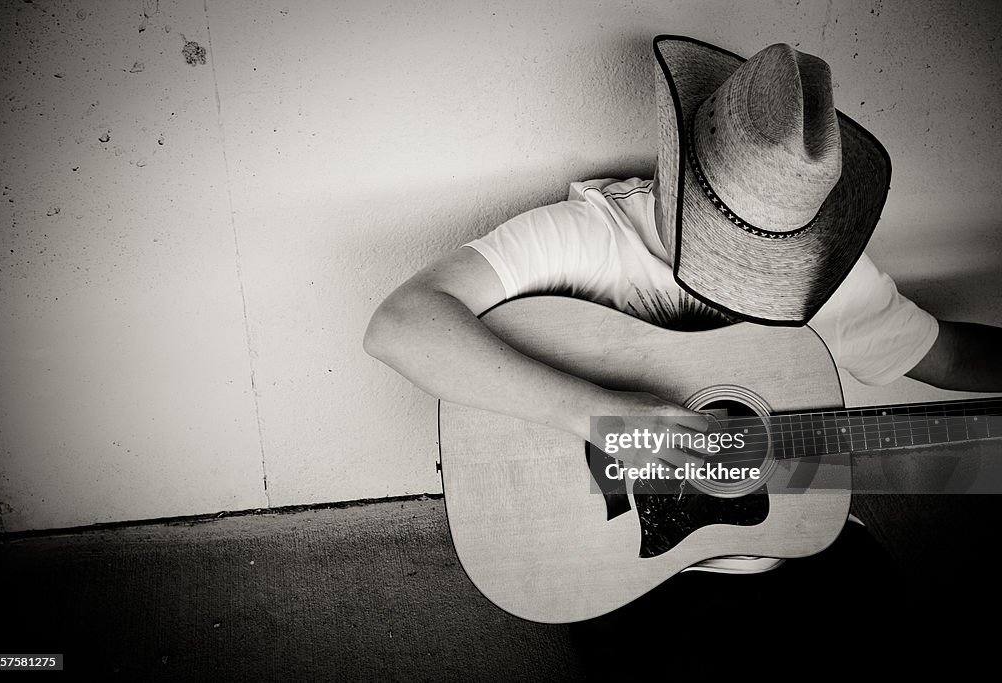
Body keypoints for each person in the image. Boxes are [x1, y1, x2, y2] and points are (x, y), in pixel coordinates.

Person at [365, 36, 1002, 674]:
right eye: (731, 240)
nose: (755, 272)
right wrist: (604, 418)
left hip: (797, 551)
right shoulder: (586, 235)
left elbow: (944, 358)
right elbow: (401, 325)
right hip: (633, 567)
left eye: (773, 250)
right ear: (676, 175)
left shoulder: (826, 269)